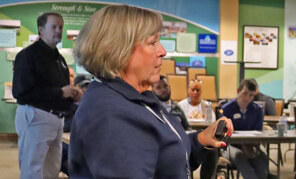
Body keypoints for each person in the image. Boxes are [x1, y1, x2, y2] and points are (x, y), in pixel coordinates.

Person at [69, 5, 232, 178]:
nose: (163, 51)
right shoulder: (112, 116)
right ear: (119, 51)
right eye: (153, 42)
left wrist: (201, 140)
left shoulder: (137, 98)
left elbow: (168, 158)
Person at [12, 12, 83, 178]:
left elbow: (60, 91)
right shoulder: (27, 56)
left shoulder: (59, 60)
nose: (58, 30)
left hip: (57, 120)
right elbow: (21, 93)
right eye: (54, 27)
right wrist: (60, 92)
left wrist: (73, 95)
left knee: (51, 169)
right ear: (41, 30)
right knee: (33, 170)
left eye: (61, 27)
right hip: (36, 117)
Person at [221, 78, 269, 179]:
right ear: (238, 91)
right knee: (240, 156)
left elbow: (258, 132)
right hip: (231, 145)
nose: (247, 98)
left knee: (262, 158)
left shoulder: (257, 110)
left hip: (251, 144)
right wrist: (242, 146)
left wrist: (252, 146)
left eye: (251, 95)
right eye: (245, 93)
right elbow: (224, 133)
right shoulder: (227, 109)